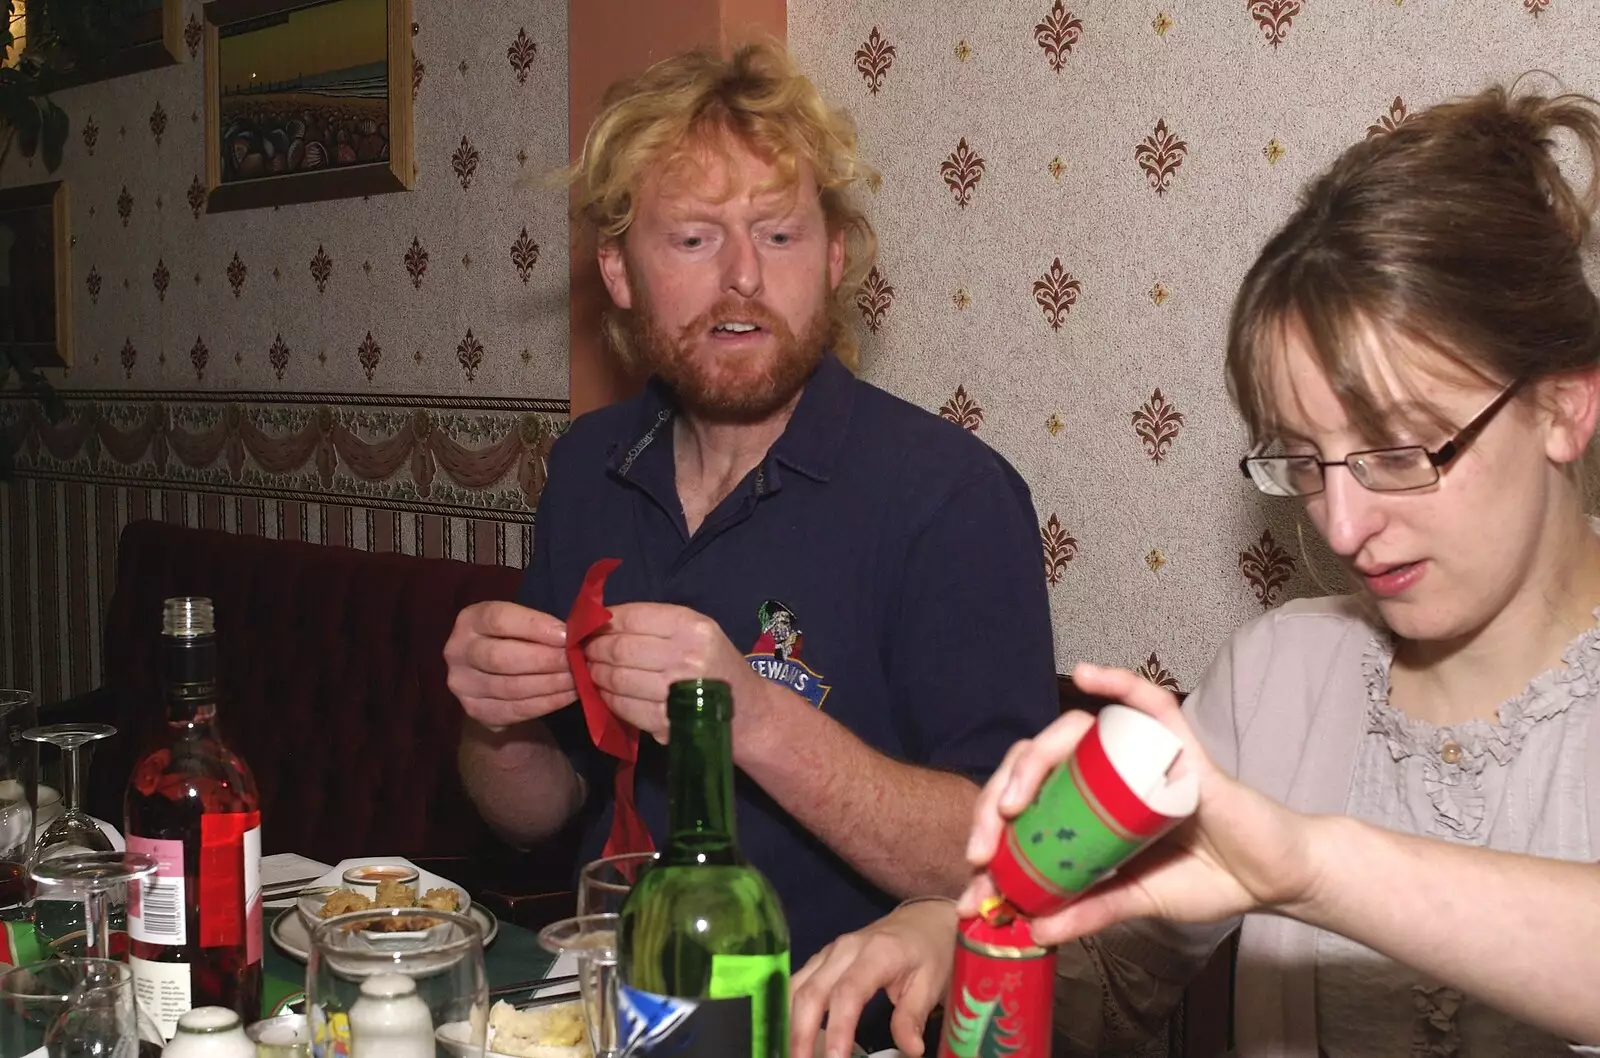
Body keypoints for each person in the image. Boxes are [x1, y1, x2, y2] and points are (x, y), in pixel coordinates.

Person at [790, 81, 1600, 1058]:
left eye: (1398, 451)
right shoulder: (1282, 672)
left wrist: (1307, 863)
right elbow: (1117, 960)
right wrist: (960, 926)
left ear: (1562, 406)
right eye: (1302, 461)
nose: (1341, 525)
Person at [442, 40, 1058, 992]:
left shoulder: (951, 498)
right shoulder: (588, 469)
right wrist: (497, 724)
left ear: (835, 256)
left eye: (779, 235)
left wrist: (752, 719)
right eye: (693, 239)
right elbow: (541, 810)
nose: (742, 278)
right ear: (618, 271)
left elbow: (1004, 865)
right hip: (599, 1004)